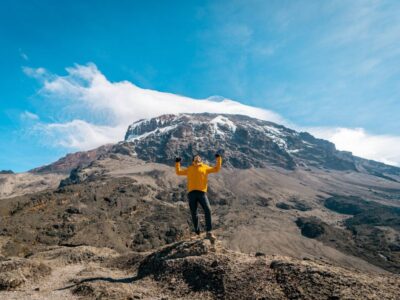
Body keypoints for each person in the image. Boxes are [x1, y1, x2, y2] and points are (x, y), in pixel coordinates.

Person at [175, 153, 222, 243]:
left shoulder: (205, 167)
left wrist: (218, 158)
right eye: (196, 157)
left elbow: (216, 169)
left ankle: (209, 232)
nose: (197, 157)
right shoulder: (190, 168)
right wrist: (177, 163)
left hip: (202, 193)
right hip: (191, 193)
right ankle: (197, 233)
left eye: (199, 157)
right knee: (194, 213)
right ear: (193, 160)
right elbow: (178, 172)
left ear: (201, 159)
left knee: (208, 210)